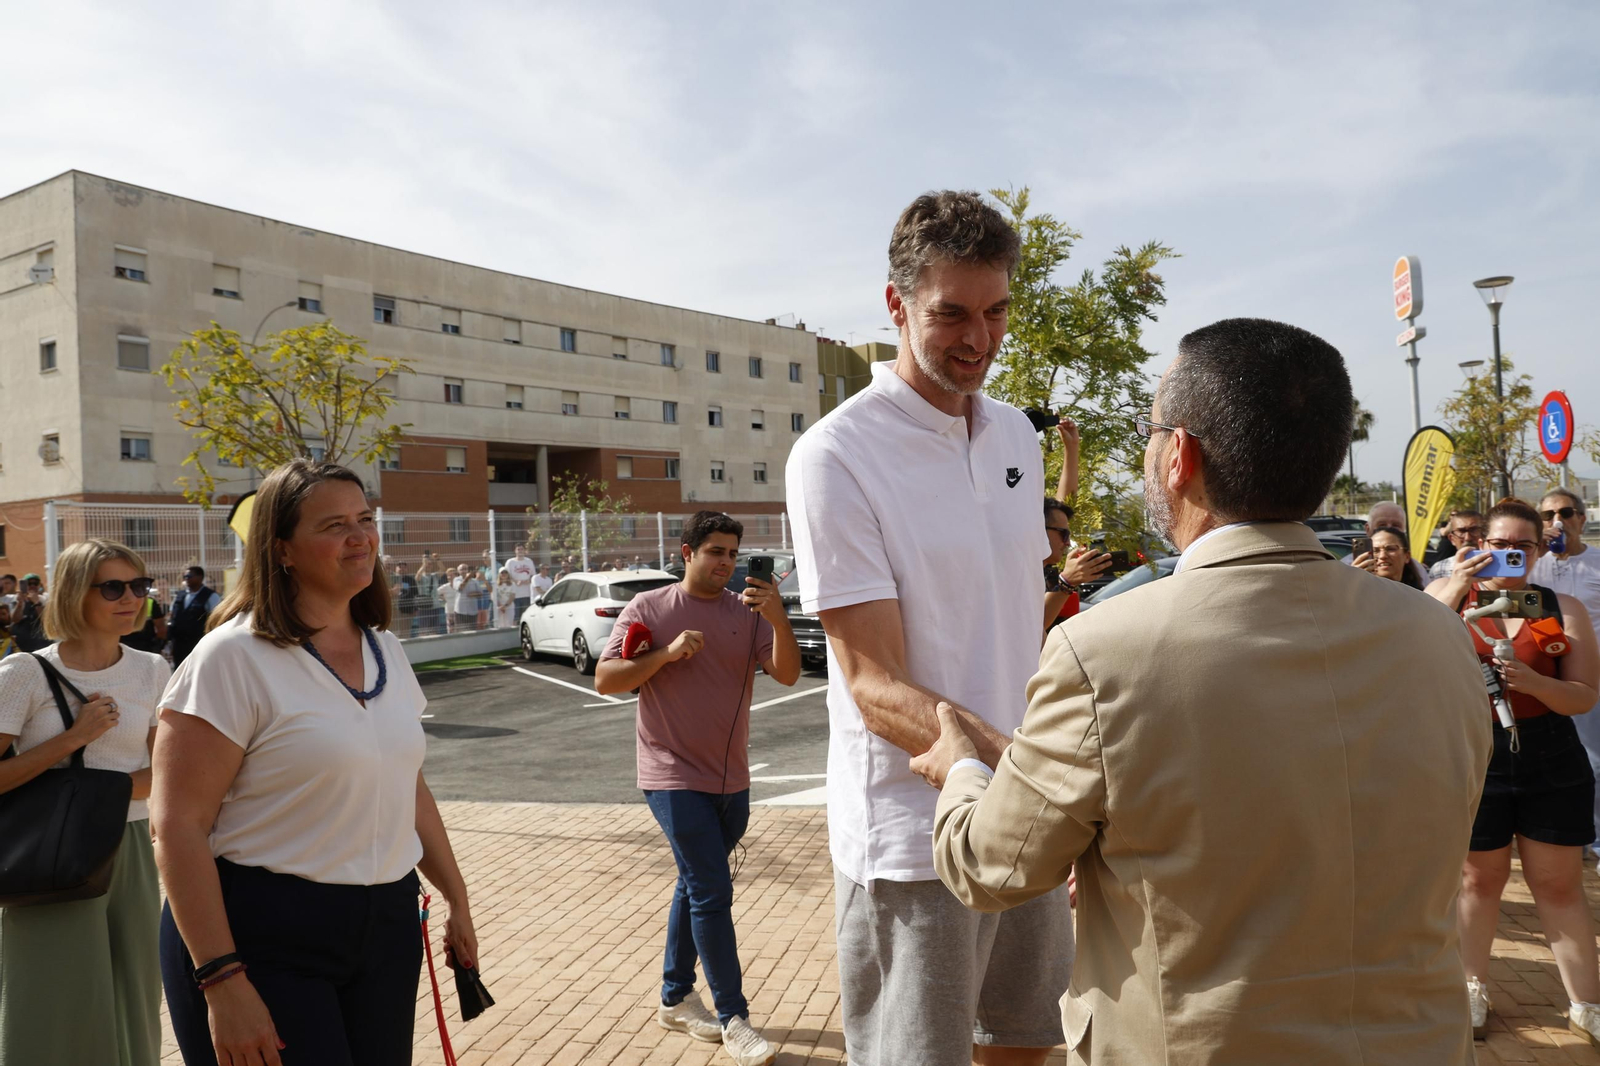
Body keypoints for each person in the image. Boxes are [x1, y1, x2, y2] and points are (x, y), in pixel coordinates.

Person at [912, 317, 1491, 1064]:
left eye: (1152, 432)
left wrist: (960, 769)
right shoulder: (1439, 636)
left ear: (1178, 455)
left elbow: (991, 866)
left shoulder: (1103, 650)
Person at [786, 190, 1072, 1066]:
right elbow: (874, 686)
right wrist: (1034, 779)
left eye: (996, 312)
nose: (978, 340)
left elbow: (1017, 620)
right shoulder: (836, 456)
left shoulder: (1018, 435)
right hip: (918, 843)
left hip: (1022, 812)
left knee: (1029, 1046)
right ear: (895, 305)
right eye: (950, 314)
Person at [151, 459, 479, 1066]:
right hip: (263, 932)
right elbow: (175, 826)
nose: (361, 538)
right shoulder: (232, 658)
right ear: (282, 550)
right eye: (334, 525)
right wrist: (222, 979)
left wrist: (456, 899)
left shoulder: (386, 649)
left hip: (385, 927)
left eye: (365, 519)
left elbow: (408, 787)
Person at [594, 510, 800, 1066]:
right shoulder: (650, 609)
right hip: (670, 773)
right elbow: (607, 678)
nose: (726, 563)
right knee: (711, 890)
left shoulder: (748, 613)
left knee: (695, 883)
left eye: (733, 553)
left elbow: (786, 674)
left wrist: (779, 620)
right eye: (715, 552)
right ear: (687, 553)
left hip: (732, 778)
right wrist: (664, 654)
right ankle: (734, 1017)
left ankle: (674, 996)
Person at [1426, 497, 1600, 1043]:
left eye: (1522, 546)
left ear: (1538, 549)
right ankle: (1471, 990)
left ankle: (1586, 1003)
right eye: (1497, 545)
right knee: (1479, 880)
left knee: (1558, 885)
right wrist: (1456, 583)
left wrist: (1534, 682)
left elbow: (1583, 696)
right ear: (1478, 544)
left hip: (1550, 752)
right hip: (1477, 751)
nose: (1509, 555)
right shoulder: (1448, 598)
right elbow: (1415, 654)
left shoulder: (1560, 605)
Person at [0, 539, 172, 1066]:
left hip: (131, 850)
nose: (131, 599)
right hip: (47, 851)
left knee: (135, 989)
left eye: (139, 586)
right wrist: (73, 740)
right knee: (53, 999)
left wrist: (107, 789)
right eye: (114, 587)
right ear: (76, 592)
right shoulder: (24, 672)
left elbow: (163, 773)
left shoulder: (152, 670)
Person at [1532, 489, 1600, 866]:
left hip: (1591, 677)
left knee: (1595, 761)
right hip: (1541, 677)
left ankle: (1597, 838)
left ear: (1581, 519)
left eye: (1566, 512)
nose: (1558, 519)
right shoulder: (1529, 563)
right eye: (1548, 513)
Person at [1042, 498, 1111, 635]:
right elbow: (1035, 624)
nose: (1067, 543)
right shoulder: (1013, 572)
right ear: (1039, 529)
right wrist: (1067, 582)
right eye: (1063, 533)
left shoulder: (1046, 571)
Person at [168, 567, 222, 667]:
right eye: (185, 577)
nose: (186, 579)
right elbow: (172, 614)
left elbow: (217, 619)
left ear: (200, 577)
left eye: (189, 576)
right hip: (179, 643)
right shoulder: (180, 595)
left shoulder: (210, 596)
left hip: (198, 642)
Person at [1350, 525, 1425, 589]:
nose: (1382, 556)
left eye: (1391, 549)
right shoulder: (1355, 592)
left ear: (1407, 556)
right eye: (1375, 550)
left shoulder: (1422, 597)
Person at [1429, 509, 1487, 581]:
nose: (1467, 538)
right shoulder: (1439, 569)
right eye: (1461, 531)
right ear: (1452, 539)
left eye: (1474, 530)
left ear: (1485, 534)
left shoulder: (1498, 564)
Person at [121, 583, 169, 655]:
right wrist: (158, 647)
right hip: (145, 648)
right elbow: (161, 629)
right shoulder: (150, 602)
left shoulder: (117, 603)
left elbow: (161, 629)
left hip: (124, 647)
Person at [10, 573, 51, 653]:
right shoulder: (17, 599)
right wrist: (20, 604)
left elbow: (46, 619)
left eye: (35, 583)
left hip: (42, 645)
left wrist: (37, 602)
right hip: (21, 646)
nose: (32, 586)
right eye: (29, 583)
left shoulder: (46, 598)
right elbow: (15, 619)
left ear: (39, 585)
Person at [415, 553, 444, 637]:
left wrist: (437, 559)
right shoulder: (420, 576)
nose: (429, 566)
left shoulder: (434, 576)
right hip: (424, 607)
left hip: (435, 606)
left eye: (430, 564)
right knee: (423, 629)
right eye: (427, 564)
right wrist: (424, 564)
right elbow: (417, 576)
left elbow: (442, 569)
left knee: (435, 629)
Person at [505, 546, 537, 618]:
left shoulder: (529, 561)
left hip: (527, 594)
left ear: (524, 551)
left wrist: (528, 580)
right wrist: (516, 581)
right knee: (515, 617)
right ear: (515, 551)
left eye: (522, 549)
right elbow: (506, 576)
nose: (520, 551)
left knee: (526, 616)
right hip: (514, 595)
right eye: (518, 549)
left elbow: (533, 575)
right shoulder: (510, 562)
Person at [438, 566, 461, 634]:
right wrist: (442, 598)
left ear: (456, 576)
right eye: (448, 575)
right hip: (449, 611)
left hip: (460, 611)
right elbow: (435, 593)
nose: (450, 577)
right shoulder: (445, 586)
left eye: (452, 575)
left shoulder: (460, 585)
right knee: (451, 630)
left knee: (459, 630)